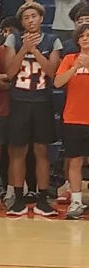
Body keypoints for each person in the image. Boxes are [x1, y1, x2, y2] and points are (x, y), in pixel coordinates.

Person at [4, 2, 61, 217]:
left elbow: (52, 72)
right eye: (26, 17)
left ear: (41, 18)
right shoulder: (13, 39)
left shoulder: (51, 40)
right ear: (22, 21)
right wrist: (23, 49)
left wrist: (34, 50)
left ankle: (42, 199)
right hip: (19, 100)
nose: (30, 20)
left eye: (34, 16)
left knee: (42, 151)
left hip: (42, 101)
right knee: (18, 151)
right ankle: (19, 199)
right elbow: (9, 73)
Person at [53, 23, 89, 219]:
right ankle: (76, 201)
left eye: (88, 35)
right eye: (82, 36)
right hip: (73, 117)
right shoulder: (69, 59)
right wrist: (76, 66)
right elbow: (58, 82)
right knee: (74, 161)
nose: (85, 39)